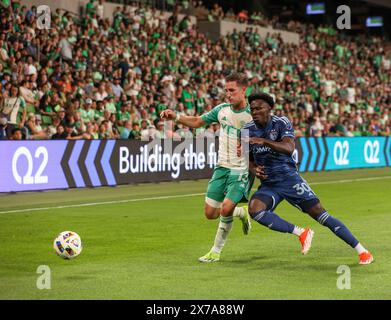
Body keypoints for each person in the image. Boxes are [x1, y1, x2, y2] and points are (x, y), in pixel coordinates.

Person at [243, 91, 374, 265]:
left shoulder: (281, 123)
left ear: (269, 109)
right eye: (252, 109)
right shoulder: (246, 130)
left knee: (320, 214)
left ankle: (362, 251)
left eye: (259, 108)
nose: (254, 112)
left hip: (289, 179)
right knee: (255, 210)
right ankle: (301, 233)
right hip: (269, 184)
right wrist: (253, 169)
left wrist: (264, 141)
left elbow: (289, 147)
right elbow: (248, 159)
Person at [160, 72, 254, 263]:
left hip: (241, 169)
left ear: (244, 90)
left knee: (226, 208)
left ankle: (215, 251)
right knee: (210, 213)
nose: (228, 94)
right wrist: (175, 116)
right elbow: (197, 122)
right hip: (221, 167)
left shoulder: (254, 113)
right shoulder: (222, 110)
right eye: (226, 90)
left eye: (232, 90)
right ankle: (241, 212)